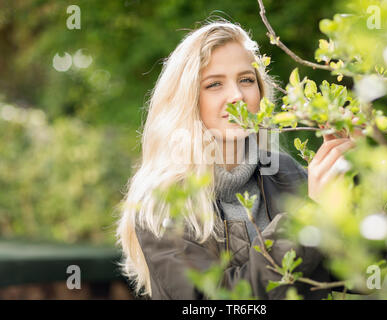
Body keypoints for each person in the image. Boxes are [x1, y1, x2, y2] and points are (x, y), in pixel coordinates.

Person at [116, 20, 356, 300]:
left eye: (246, 80)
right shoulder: (164, 201)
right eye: (214, 84)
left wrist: (351, 175)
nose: (237, 96)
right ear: (188, 100)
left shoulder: (285, 173)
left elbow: (362, 274)